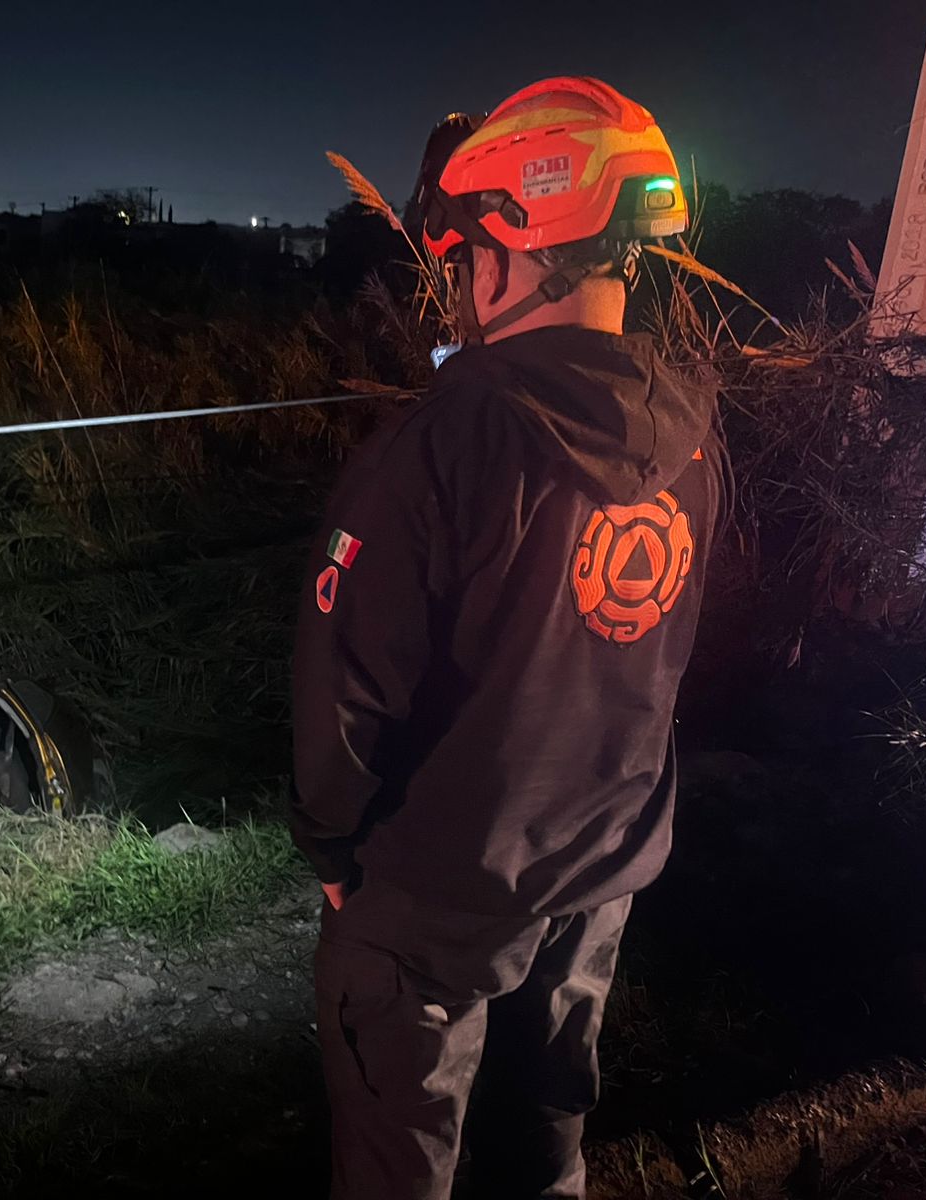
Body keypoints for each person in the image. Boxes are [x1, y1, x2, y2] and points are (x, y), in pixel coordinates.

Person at [291, 77, 727, 1200]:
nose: (460, 287)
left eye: (466, 255)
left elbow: (345, 690)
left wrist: (335, 853)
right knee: (544, 1149)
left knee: (401, 1168)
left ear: (511, 252)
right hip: (600, 868)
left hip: (434, 897)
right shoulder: (692, 433)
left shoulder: (431, 450)